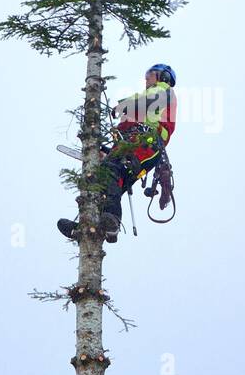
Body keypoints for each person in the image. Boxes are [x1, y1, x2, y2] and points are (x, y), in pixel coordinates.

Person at [57, 63, 177, 244]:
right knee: (106, 181)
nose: (146, 78)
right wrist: (107, 150)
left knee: (112, 170)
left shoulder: (164, 90)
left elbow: (148, 103)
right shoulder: (141, 98)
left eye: (149, 74)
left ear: (163, 76)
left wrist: (123, 106)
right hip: (131, 145)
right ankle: (89, 226)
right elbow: (125, 127)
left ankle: (112, 221)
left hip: (148, 144)